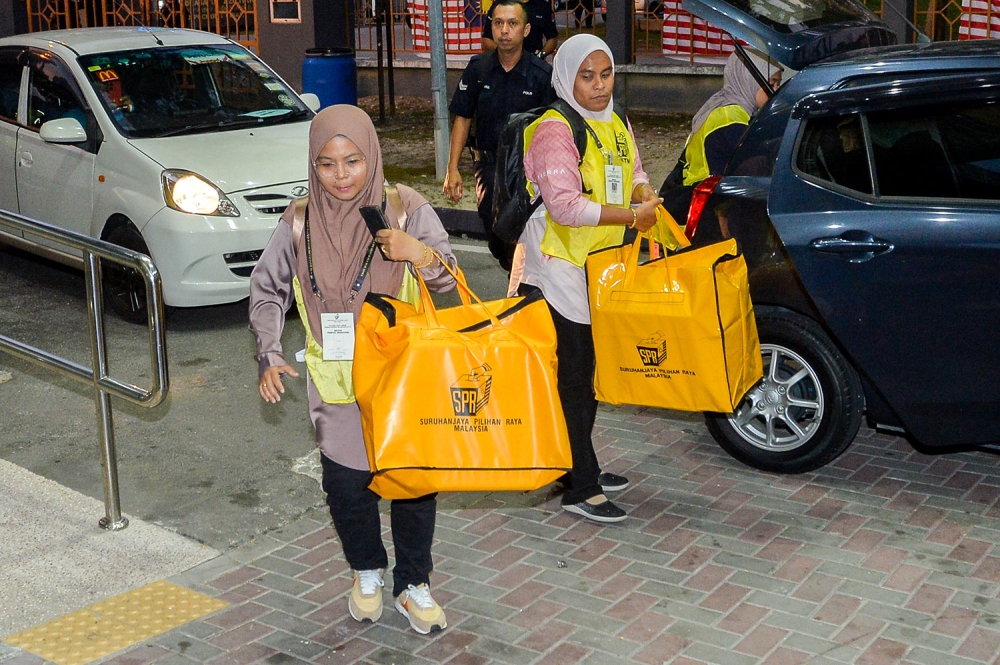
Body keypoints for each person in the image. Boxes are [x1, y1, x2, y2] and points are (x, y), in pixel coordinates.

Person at [249, 105, 457, 635]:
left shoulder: (406, 209)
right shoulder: (298, 221)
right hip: (338, 383)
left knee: (411, 484)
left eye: (353, 161)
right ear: (313, 166)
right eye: (326, 164)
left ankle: (413, 584)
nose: (341, 176)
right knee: (345, 486)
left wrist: (422, 257)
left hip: (401, 379)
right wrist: (269, 352)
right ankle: (366, 570)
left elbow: (452, 285)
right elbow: (267, 288)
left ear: (373, 157)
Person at [508, 34, 663, 524]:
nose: (599, 86)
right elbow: (565, 206)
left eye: (607, 74)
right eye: (587, 76)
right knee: (573, 376)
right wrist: (631, 215)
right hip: (558, 265)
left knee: (585, 371)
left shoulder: (615, 120)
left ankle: (577, 461)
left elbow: (632, 167)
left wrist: (644, 190)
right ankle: (579, 485)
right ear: (566, 77)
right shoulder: (555, 129)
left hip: (597, 265)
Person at [445, 0, 557, 271]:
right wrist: (452, 168)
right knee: (495, 231)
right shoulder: (478, 69)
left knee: (522, 232)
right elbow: (463, 117)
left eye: (512, 24)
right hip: (489, 167)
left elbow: (554, 128)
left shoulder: (542, 76)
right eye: (498, 23)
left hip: (527, 171)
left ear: (526, 29)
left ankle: (519, 281)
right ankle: (512, 266)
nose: (504, 30)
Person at [670, 50, 783, 189]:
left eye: (779, 84)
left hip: (701, 190)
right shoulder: (728, 117)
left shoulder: (729, 104)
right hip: (699, 194)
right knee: (759, 166)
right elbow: (757, 149)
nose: (776, 91)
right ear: (748, 80)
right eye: (771, 85)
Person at [481, 0, 558, 59]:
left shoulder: (543, 6)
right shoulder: (500, 5)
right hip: (502, 65)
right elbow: (486, 40)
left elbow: (552, 38)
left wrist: (540, 55)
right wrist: (506, 55)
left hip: (534, 64)